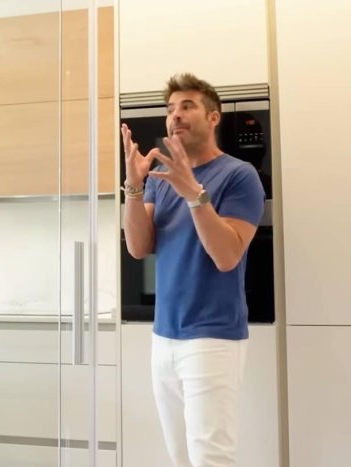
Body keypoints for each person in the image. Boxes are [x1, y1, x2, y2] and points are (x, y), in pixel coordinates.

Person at [121, 72, 266, 467]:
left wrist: (195, 195)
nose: (176, 116)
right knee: (180, 457)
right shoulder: (160, 179)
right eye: (171, 109)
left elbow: (227, 255)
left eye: (187, 106)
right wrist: (133, 186)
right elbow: (138, 247)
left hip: (213, 336)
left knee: (210, 456)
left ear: (213, 117)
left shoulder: (238, 175)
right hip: (164, 335)